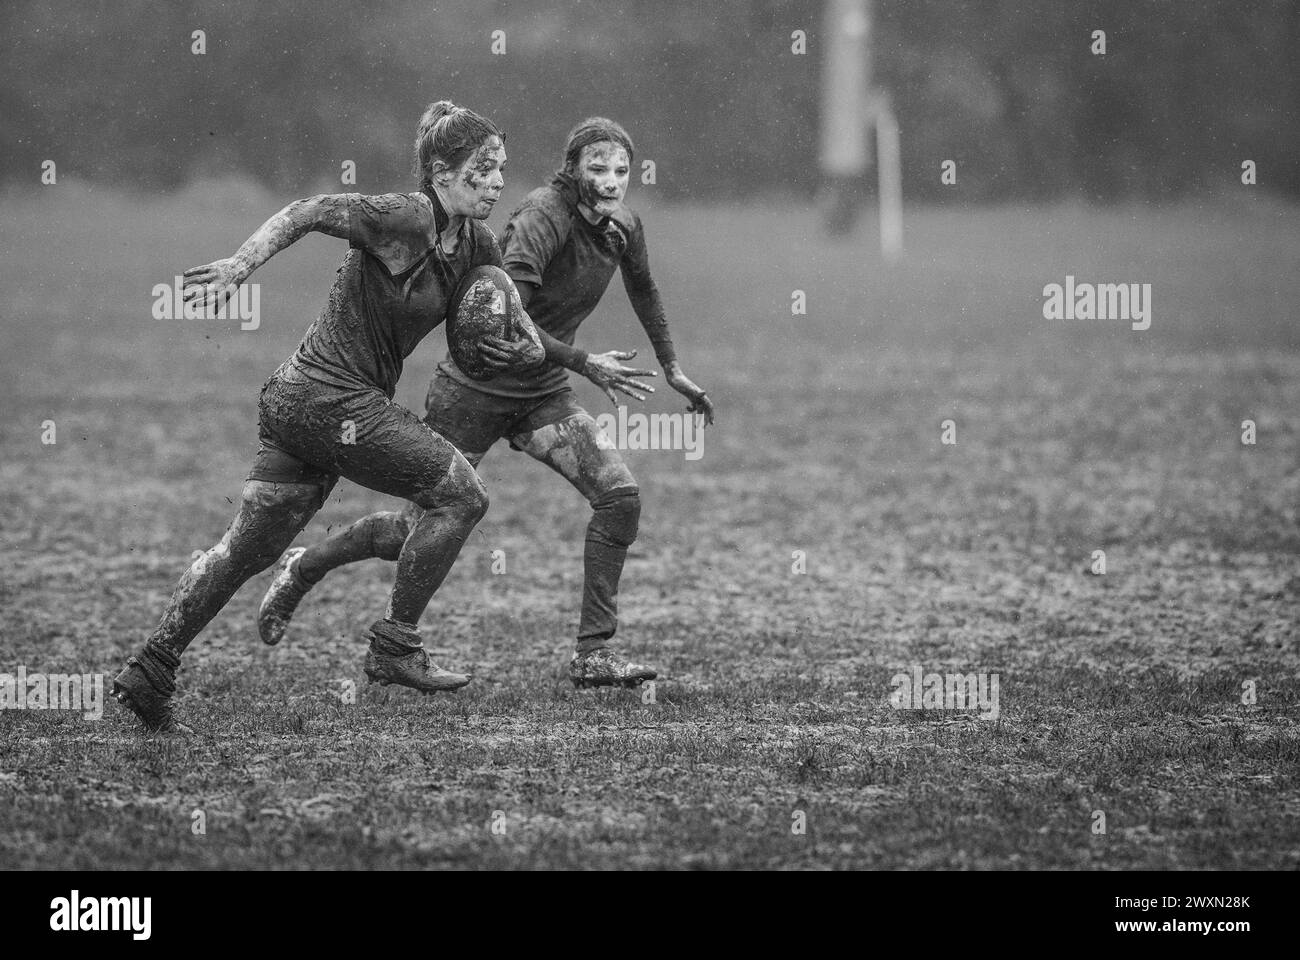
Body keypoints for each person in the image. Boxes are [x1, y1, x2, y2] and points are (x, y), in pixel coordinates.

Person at [112, 101, 543, 734]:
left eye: (502, 168)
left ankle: (150, 669)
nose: (498, 182)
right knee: (461, 497)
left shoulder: (475, 242)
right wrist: (240, 265)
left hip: (300, 402)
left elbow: (514, 322)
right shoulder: (409, 217)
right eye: (484, 169)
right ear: (442, 171)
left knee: (245, 550)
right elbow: (310, 210)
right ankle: (395, 647)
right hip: (327, 400)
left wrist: (526, 348)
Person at [258, 117, 715, 689]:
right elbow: (505, 318)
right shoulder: (541, 219)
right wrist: (583, 360)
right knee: (413, 530)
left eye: (622, 170)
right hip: (472, 392)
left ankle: (593, 653)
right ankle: (308, 567)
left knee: (618, 496)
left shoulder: (623, 225)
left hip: (543, 393)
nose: (612, 180)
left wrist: (672, 367)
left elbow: (643, 288)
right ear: (571, 169)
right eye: (598, 168)